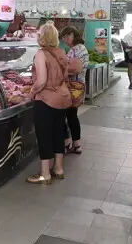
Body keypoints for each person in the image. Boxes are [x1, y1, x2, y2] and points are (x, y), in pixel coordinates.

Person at [27, 22, 72, 185]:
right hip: (62, 98)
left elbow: (42, 81)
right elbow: (65, 75)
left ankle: (45, 173)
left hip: (46, 99)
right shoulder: (61, 52)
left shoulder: (41, 53)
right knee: (58, 133)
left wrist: (32, 92)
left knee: (44, 135)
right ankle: (58, 169)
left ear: (42, 37)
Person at [61, 27, 89, 154]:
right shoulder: (81, 48)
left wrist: (61, 70)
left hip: (72, 86)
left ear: (71, 35)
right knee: (72, 115)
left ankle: (67, 142)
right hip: (78, 86)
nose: (64, 40)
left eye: (65, 37)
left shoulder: (76, 49)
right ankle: (76, 144)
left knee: (64, 115)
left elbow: (76, 69)